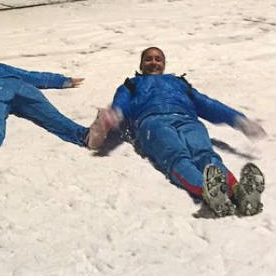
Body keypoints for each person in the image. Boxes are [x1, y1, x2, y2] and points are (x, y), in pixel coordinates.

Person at [105, 46, 266, 217]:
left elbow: (206, 103)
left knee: (206, 155)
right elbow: (121, 103)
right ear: (141, 64)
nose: (154, 62)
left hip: (187, 120)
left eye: (158, 59)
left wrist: (238, 120)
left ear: (164, 64)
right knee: (176, 154)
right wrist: (116, 114)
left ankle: (237, 191)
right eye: (149, 59)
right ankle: (208, 191)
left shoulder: (179, 83)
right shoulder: (131, 85)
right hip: (153, 122)